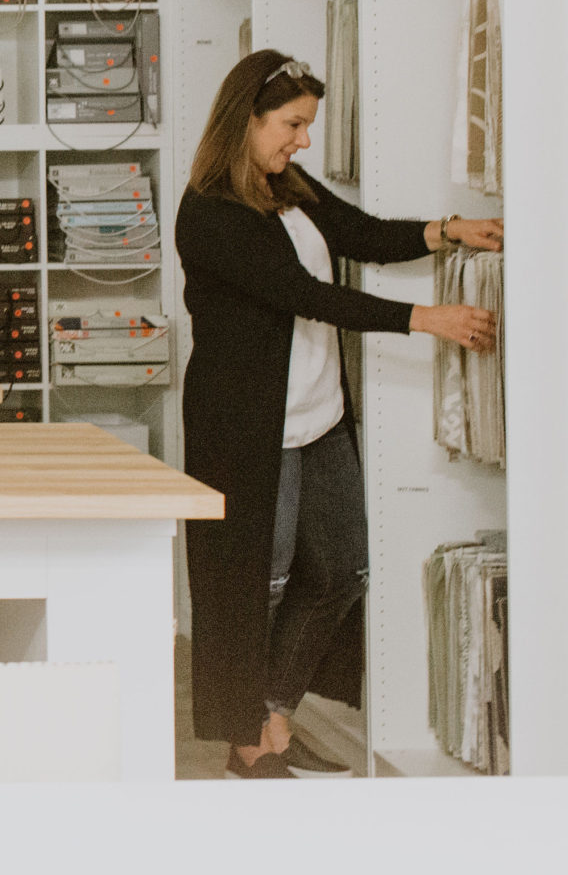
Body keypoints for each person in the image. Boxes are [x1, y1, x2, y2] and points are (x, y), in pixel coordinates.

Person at [177, 51, 501, 780]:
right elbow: (304, 293)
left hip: (318, 416)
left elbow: (360, 233)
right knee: (261, 580)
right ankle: (249, 743)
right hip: (248, 430)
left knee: (340, 567)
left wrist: (449, 231)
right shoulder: (210, 209)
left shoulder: (284, 186)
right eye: (291, 124)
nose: (302, 140)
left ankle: (270, 714)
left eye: (307, 125)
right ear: (246, 118)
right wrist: (426, 317)